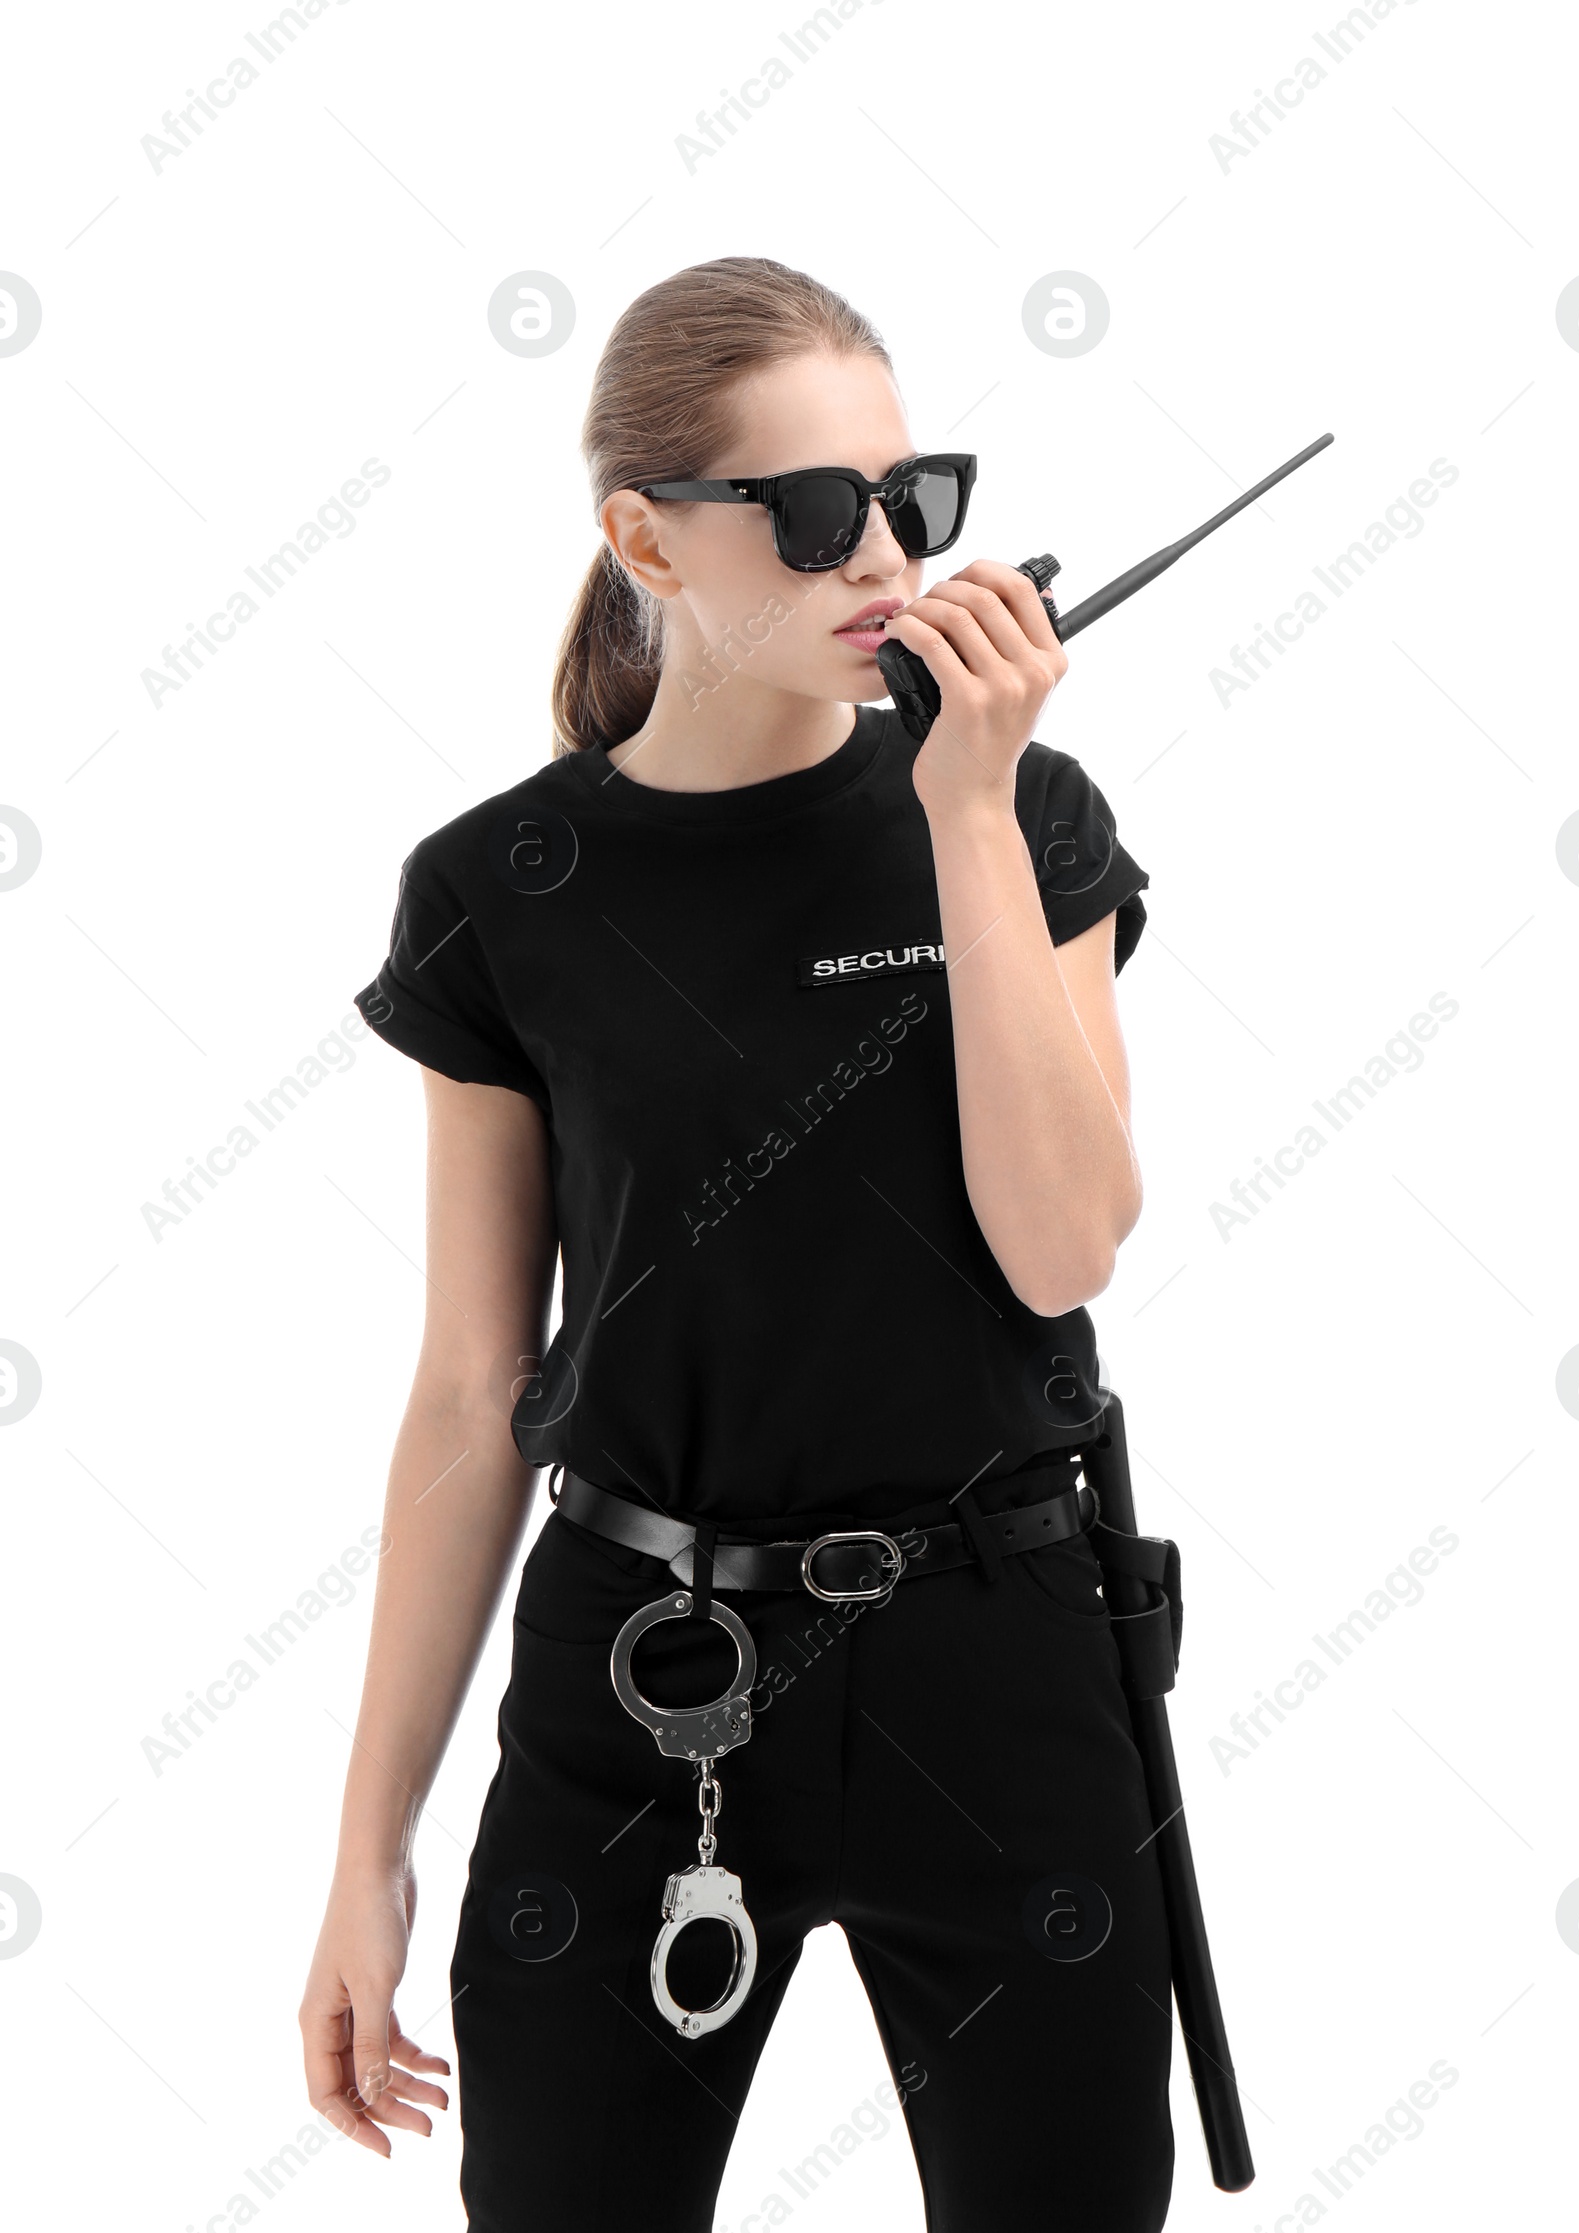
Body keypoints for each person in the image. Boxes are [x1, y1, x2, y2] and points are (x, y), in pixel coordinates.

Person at [299, 254, 1174, 2231]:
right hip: (640, 1679)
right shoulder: (500, 892)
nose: (877, 555)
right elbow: (468, 1388)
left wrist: (961, 810)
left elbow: (1063, 1251)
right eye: (806, 511)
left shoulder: (1022, 819)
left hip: (1004, 1663)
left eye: (909, 500)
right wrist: (370, 1846)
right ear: (644, 540)